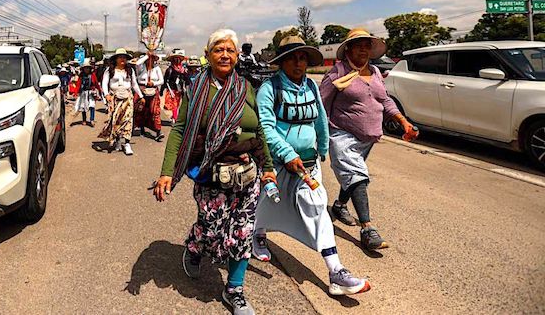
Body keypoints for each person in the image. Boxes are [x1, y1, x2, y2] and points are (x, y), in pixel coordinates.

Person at [154, 29, 276, 315]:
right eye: (218, 49)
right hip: (211, 173)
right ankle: (196, 247)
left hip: (247, 173)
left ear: (237, 56)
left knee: (242, 231)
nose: (225, 54)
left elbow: (259, 130)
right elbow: (180, 130)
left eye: (230, 50)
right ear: (207, 55)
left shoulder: (245, 87)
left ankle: (234, 289)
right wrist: (167, 171)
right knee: (212, 227)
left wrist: (268, 168)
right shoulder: (196, 89)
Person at [252, 36, 370, 297]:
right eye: (292, 57)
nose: (298, 62)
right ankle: (257, 234)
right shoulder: (269, 89)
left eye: (302, 57)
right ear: (281, 62)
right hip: (278, 163)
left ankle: (336, 270)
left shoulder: (311, 87)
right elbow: (265, 128)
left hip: (308, 164)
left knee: (318, 208)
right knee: (267, 201)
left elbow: (320, 119)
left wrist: (324, 147)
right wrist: (285, 152)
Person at [321, 28, 418, 250]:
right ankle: (367, 229)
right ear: (348, 49)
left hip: (368, 137)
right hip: (342, 134)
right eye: (359, 45)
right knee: (357, 176)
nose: (364, 49)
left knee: (353, 175)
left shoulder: (374, 71)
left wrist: (404, 122)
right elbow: (322, 105)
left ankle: (339, 205)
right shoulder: (337, 73)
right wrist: (320, 137)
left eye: (367, 45)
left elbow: (385, 101)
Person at [100, 49, 143, 155]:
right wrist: (106, 95)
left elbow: (134, 84)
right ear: (116, 59)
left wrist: (141, 96)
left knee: (128, 120)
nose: (122, 59)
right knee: (116, 120)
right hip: (115, 98)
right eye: (120, 57)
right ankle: (118, 141)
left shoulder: (130, 70)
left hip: (127, 98)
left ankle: (127, 144)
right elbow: (104, 83)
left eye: (124, 57)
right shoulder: (110, 70)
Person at [135, 52, 165, 140]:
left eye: (152, 59)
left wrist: (153, 83)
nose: (150, 61)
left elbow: (161, 81)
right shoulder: (141, 68)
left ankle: (158, 131)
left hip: (153, 91)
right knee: (141, 110)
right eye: (148, 59)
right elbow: (137, 63)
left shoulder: (157, 69)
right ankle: (141, 128)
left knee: (155, 111)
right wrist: (147, 56)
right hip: (142, 91)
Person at [161, 49, 188, 125]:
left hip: (179, 90)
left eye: (178, 59)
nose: (177, 60)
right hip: (171, 90)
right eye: (175, 59)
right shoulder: (170, 69)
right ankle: (175, 119)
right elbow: (165, 80)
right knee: (174, 105)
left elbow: (186, 80)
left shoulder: (183, 70)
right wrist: (162, 90)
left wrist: (186, 88)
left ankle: (174, 117)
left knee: (178, 105)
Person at [74, 61, 100, 127]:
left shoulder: (92, 75)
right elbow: (78, 84)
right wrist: (76, 92)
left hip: (91, 92)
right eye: (85, 68)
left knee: (92, 106)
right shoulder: (81, 76)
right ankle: (84, 120)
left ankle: (92, 119)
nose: (86, 69)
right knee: (83, 107)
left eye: (88, 68)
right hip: (83, 92)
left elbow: (96, 83)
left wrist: (100, 89)